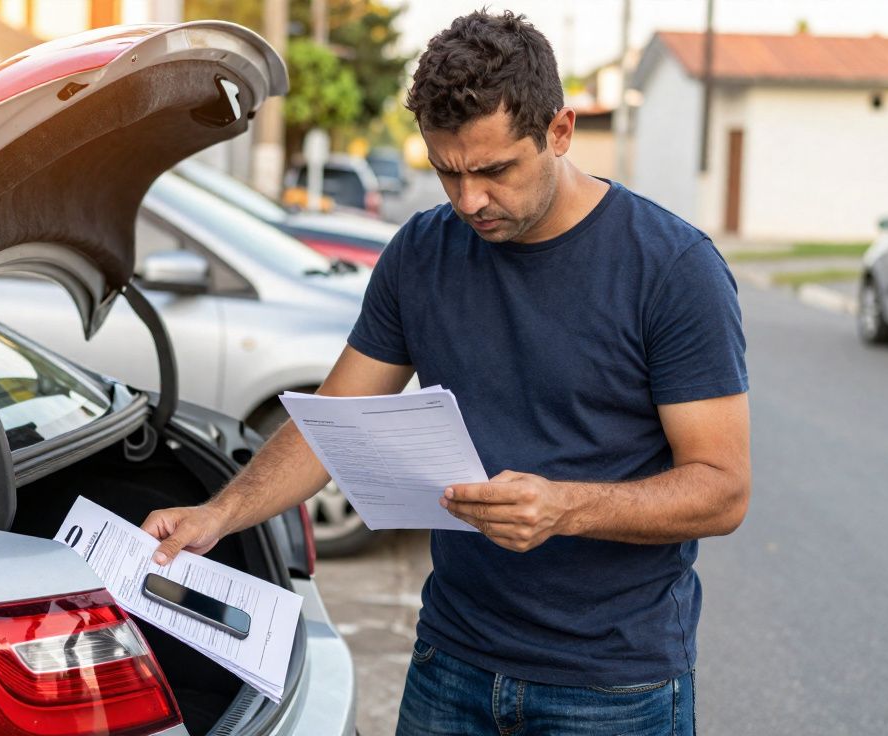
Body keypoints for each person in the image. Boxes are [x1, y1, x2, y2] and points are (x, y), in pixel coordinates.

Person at [143, 9, 749, 735]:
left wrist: (566, 508)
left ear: (560, 131)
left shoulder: (672, 268)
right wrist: (220, 513)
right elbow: (332, 424)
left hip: (611, 685)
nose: (470, 202)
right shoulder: (423, 252)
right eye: (447, 172)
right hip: (451, 662)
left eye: (495, 170)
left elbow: (722, 490)